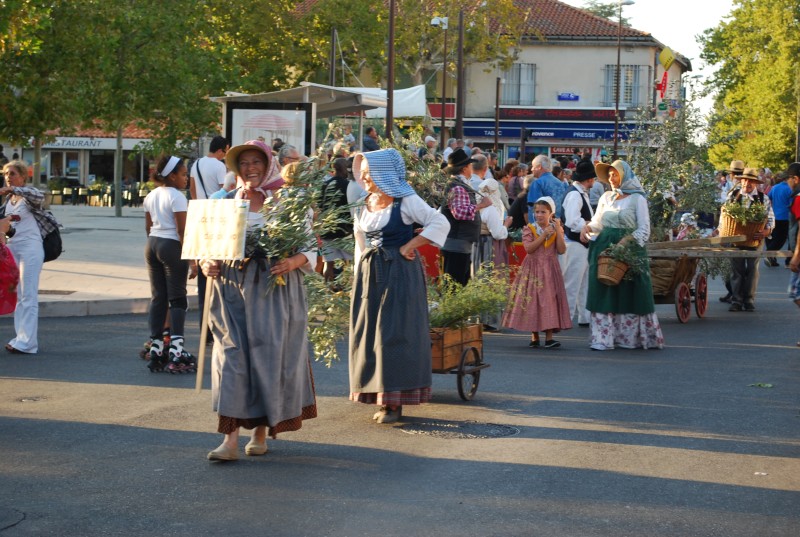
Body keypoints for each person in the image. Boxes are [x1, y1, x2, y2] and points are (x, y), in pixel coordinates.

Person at [202, 139, 317, 461]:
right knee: (231, 358)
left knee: (268, 358)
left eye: (256, 162)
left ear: (269, 165)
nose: (250, 169)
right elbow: (208, 244)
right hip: (232, 288)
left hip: (274, 287)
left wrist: (293, 261)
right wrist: (206, 262)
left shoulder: (288, 201)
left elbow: (311, 248)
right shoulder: (225, 201)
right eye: (244, 164)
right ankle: (229, 440)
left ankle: (261, 432)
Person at [349, 148, 449, 424]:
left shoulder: (406, 201)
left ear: (384, 174)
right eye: (363, 173)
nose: (364, 178)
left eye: (369, 174)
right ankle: (375, 394)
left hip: (400, 273)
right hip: (371, 273)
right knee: (370, 333)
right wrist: (358, 274)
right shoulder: (362, 203)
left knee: (394, 334)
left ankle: (394, 403)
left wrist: (411, 244)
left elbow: (439, 222)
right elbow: (360, 241)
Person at [580, 160, 664, 351]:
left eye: (615, 174)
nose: (611, 178)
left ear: (624, 175)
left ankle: (629, 338)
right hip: (604, 248)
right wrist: (587, 227)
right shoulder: (606, 197)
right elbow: (598, 222)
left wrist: (626, 242)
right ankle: (603, 339)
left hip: (630, 249)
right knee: (604, 290)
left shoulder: (638, 199)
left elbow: (644, 229)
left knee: (630, 290)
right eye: (609, 175)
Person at [143, 156, 197, 372]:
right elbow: (182, 230)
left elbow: (148, 227)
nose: (186, 179)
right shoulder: (177, 197)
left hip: (152, 244)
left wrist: (154, 245)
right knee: (177, 298)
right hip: (171, 245)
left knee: (158, 297)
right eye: (184, 175)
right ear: (172, 176)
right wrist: (192, 258)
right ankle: (176, 349)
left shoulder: (151, 195)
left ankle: (156, 347)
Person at [503, 196, 571, 348]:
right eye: (537, 212)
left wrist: (558, 231)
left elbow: (561, 250)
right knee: (532, 300)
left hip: (550, 267)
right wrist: (543, 235)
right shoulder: (529, 228)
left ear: (551, 214)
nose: (539, 215)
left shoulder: (556, 229)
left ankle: (549, 337)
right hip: (533, 267)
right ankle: (534, 336)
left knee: (549, 299)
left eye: (543, 212)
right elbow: (529, 249)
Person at [1, 160, 46, 354]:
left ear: (22, 177)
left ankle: (28, 343)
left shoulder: (28, 197)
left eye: (12, 173)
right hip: (14, 248)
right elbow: (10, 230)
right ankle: (21, 337)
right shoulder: (8, 203)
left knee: (28, 294)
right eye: (5, 173)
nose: (8, 177)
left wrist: (14, 189)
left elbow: (39, 195)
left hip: (31, 248)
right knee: (18, 294)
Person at [722, 168, 774, 312]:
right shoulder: (732, 196)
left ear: (756, 183)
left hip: (755, 238)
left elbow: (770, 218)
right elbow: (724, 216)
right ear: (741, 181)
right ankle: (737, 300)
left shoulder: (764, 198)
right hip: (735, 238)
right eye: (745, 180)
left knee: (752, 270)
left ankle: (749, 300)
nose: (747, 183)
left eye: (751, 181)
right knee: (736, 270)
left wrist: (766, 231)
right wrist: (721, 232)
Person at [440, 148, 492, 285]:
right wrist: (481, 205)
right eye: (469, 165)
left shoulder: (458, 185)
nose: (471, 167)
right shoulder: (458, 187)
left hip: (457, 243)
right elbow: (459, 213)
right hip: (457, 244)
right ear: (464, 169)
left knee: (456, 284)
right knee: (456, 285)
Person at [559, 159, 596, 327]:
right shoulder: (575, 194)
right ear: (588, 179)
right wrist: (587, 226)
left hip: (582, 243)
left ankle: (584, 316)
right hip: (575, 243)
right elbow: (573, 220)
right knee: (573, 282)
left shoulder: (579, 193)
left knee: (584, 283)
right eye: (593, 179)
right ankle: (566, 316)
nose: (594, 182)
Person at [319, 158, 354, 281]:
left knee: (328, 264)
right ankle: (347, 290)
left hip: (327, 230)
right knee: (348, 265)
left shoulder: (326, 185)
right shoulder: (348, 185)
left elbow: (320, 206)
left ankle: (327, 289)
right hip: (344, 231)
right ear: (344, 168)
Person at [527, 155, 568, 221]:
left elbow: (534, 208)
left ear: (539, 167)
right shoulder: (560, 183)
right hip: (558, 224)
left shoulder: (537, 183)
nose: (531, 169)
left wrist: (533, 227)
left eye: (533, 166)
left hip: (543, 225)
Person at [766, 171, 793, 267]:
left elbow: (768, 197)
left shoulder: (775, 187)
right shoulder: (789, 189)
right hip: (785, 216)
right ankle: (769, 253)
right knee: (781, 238)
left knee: (775, 236)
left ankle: (771, 257)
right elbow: (791, 203)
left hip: (774, 215)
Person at [190, 136, 228, 200]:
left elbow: (192, 189)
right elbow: (224, 191)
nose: (225, 156)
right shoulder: (220, 165)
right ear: (219, 151)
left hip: (200, 206)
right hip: (214, 206)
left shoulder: (196, 163)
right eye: (225, 152)